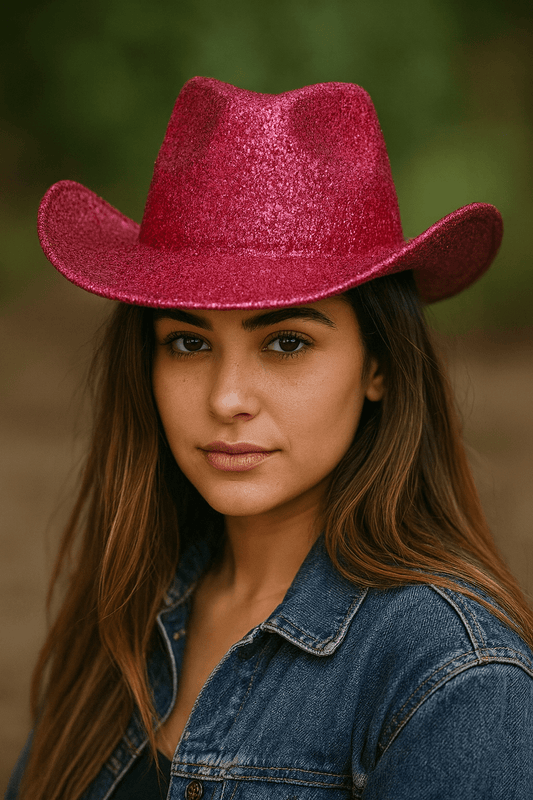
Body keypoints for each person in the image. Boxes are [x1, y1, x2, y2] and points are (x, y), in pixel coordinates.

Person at [6, 77, 533, 800]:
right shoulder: (128, 605)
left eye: (285, 343)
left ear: (378, 364)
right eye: (188, 344)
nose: (225, 399)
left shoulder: (449, 673)